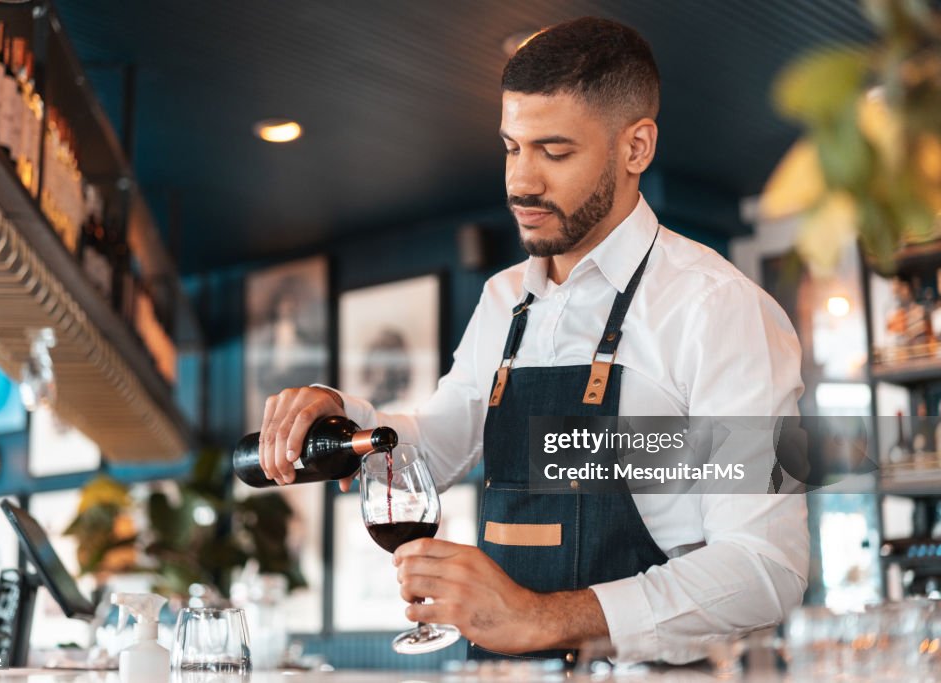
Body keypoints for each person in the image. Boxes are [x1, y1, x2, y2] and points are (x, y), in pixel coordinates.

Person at [256, 17, 808, 664]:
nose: (521, 183)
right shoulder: (503, 300)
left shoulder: (722, 309)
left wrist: (541, 616)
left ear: (636, 148)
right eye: (512, 147)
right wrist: (351, 421)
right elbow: (432, 448)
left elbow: (768, 565)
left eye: (555, 151)